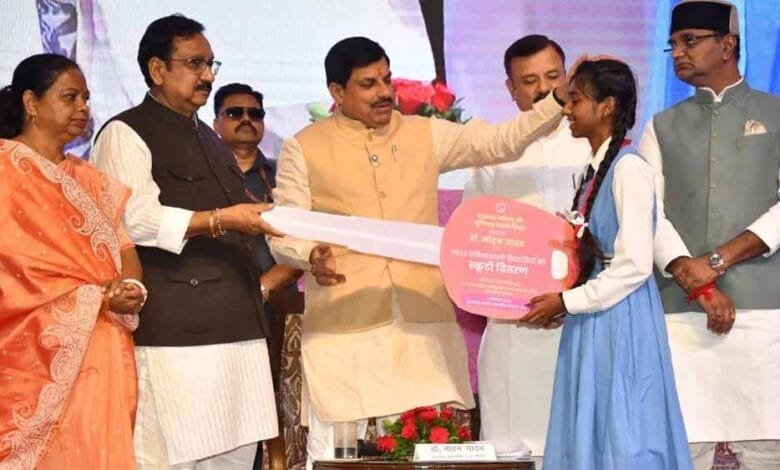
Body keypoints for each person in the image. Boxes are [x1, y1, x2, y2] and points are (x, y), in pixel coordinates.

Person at [268, 36, 574, 468]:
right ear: (337, 92)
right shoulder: (304, 146)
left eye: (386, 79)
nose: (383, 92)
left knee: (429, 455)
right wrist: (309, 254)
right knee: (336, 458)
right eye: (368, 84)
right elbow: (283, 228)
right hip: (345, 332)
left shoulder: (423, 133)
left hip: (422, 330)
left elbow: (499, 142)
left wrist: (557, 100)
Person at [91, 15, 281, 468]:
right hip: (174, 335)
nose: (208, 75)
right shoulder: (125, 132)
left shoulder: (210, 139)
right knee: (169, 457)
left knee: (235, 458)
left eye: (211, 64)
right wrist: (220, 220)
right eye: (195, 63)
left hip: (239, 326)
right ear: (158, 70)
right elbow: (132, 219)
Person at [524, 59, 693, 470]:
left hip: (622, 316)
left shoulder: (629, 169)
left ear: (607, 107)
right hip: (595, 314)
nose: (567, 109)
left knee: (624, 427)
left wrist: (568, 302)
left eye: (576, 100)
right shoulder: (593, 171)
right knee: (594, 423)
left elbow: (634, 264)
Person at [639, 1, 780, 468]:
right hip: (682, 314)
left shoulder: (776, 114)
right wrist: (696, 282)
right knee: (685, 448)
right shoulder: (660, 126)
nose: (678, 52)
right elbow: (648, 213)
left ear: (728, 45)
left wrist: (717, 261)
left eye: (689, 41)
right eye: (673, 44)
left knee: (766, 447)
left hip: (765, 310)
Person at [0, 54, 144, 469]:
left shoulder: (91, 179)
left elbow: (124, 249)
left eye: (85, 98)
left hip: (102, 342)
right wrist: (92, 299)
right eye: (70, 97)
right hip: (31, 350)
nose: (82, 108)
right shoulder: (6, 171)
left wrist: (131, 287)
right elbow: (11, 267)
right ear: (31, 102)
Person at [463, 34, 590, 459]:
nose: (544, 90)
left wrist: (572, 297)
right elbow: (474, 242)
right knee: (511, 449)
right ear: (510, 88)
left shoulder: (593, 145)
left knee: (579, 444)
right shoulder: (492, 152)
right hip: (514, 326)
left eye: (553, 77)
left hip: (583, 319)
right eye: (530, 81)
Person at [213, 83, 302, 311]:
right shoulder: (201, 175)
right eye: (234, 113)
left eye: (255, 114)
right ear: (215, 124)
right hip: (214, 300)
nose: (246, 119)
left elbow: (302, 238)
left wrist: (262, 288)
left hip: (278, 299)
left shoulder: (285, 174)